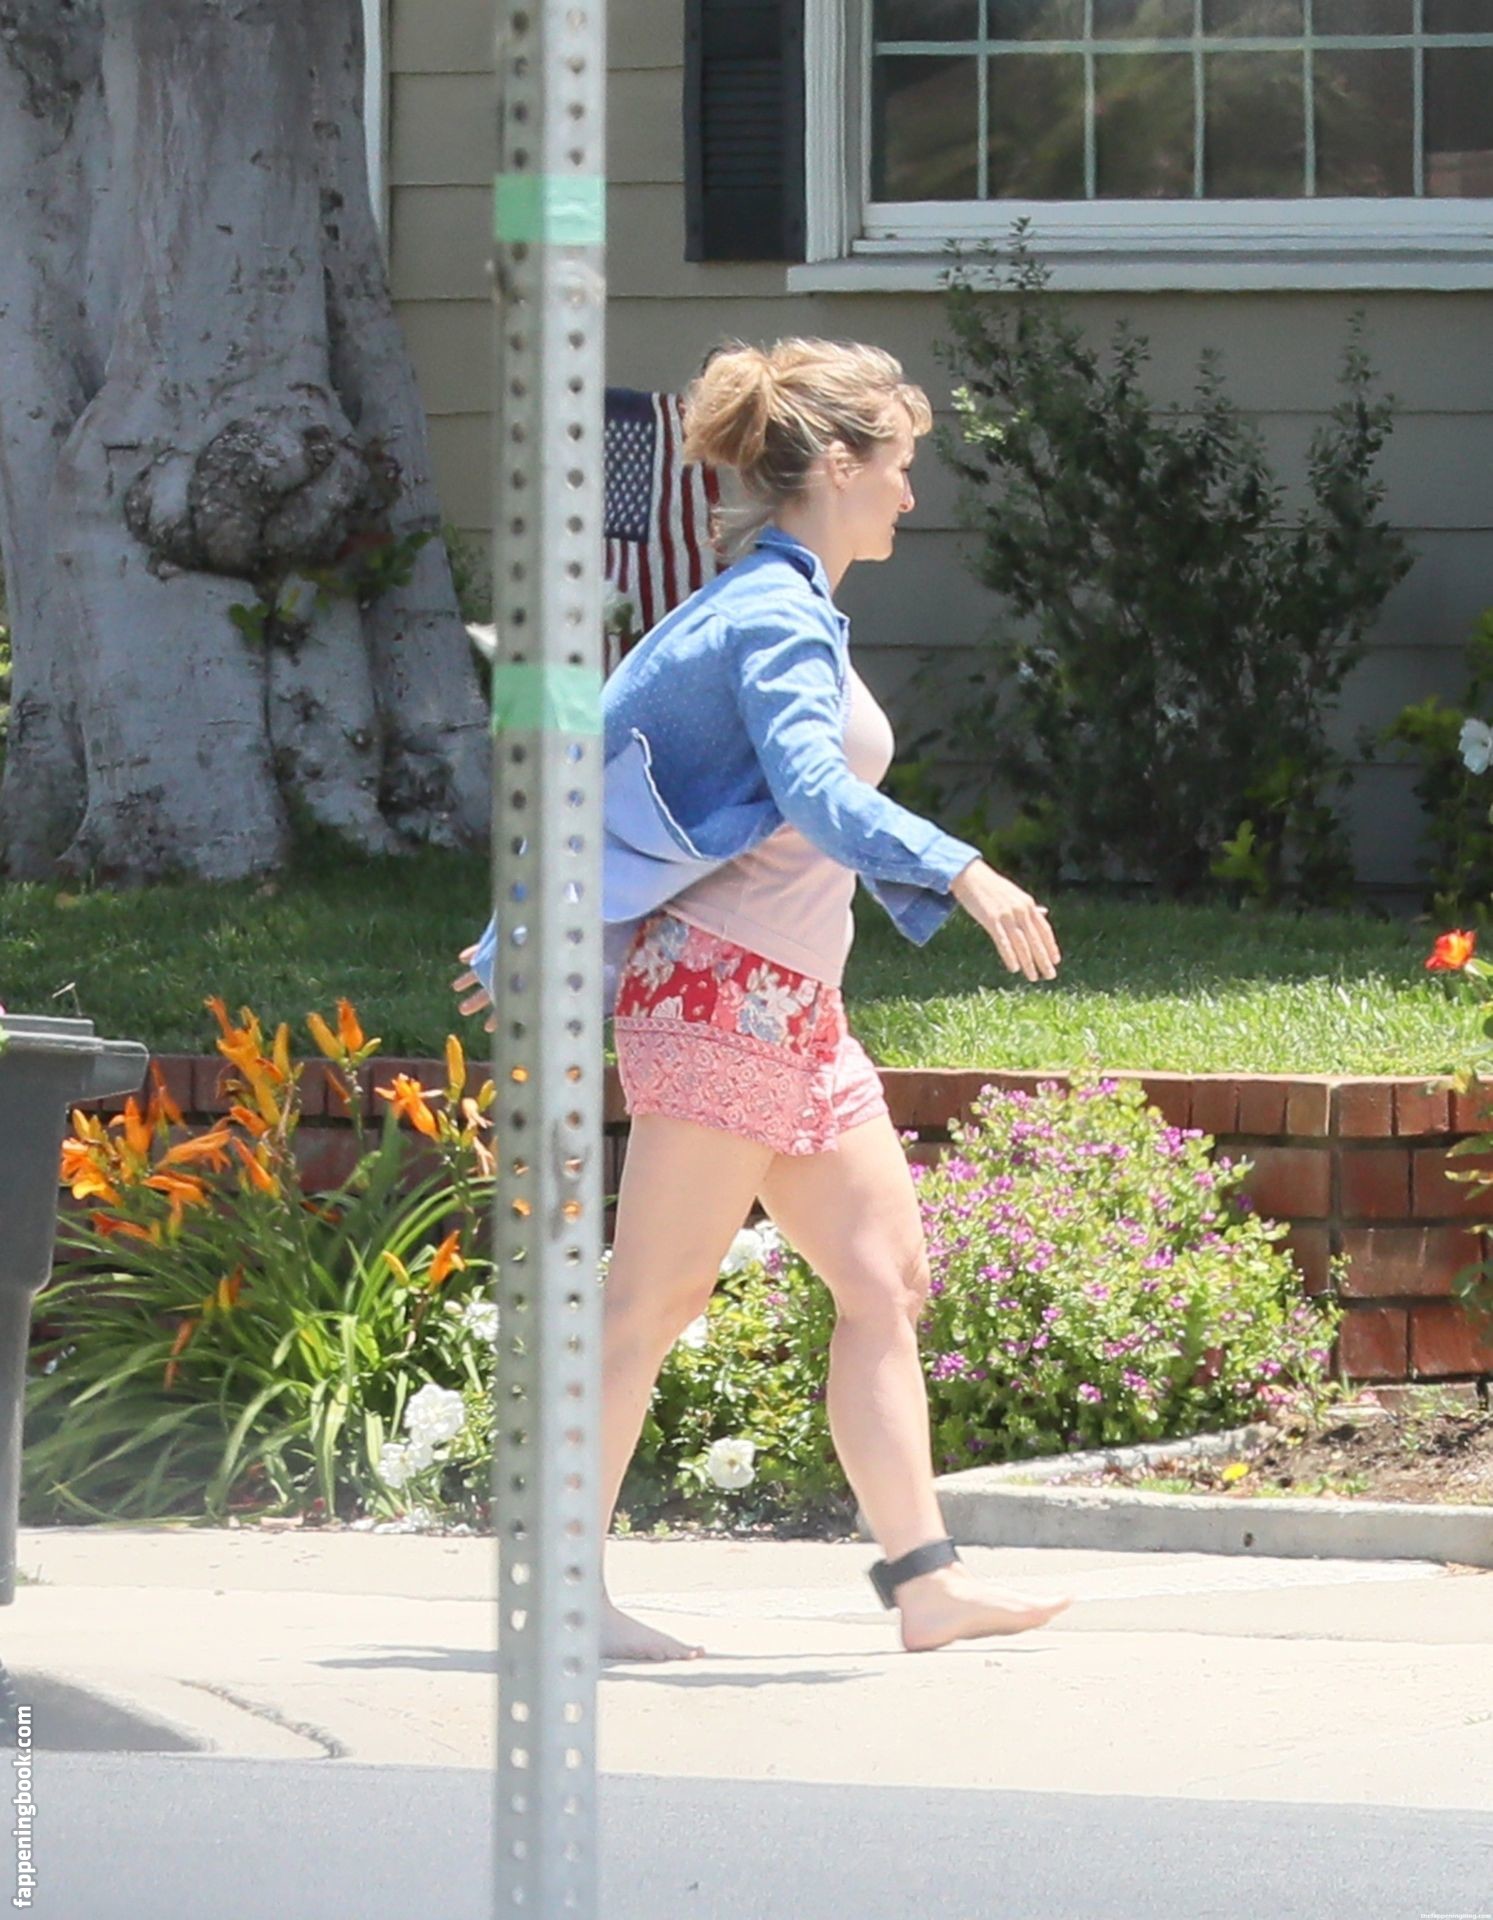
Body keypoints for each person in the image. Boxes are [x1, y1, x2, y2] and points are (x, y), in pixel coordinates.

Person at [455, 338, 1069, 1660]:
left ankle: (926, 1584)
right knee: (651, 1302)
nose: (910, 491)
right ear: (837, 465)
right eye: (898, 464)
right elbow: (813, 792)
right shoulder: (770, 617)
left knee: (884, 1278)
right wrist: (959, 869)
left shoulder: (784, 606)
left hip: (794, 1007)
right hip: (722, 995)